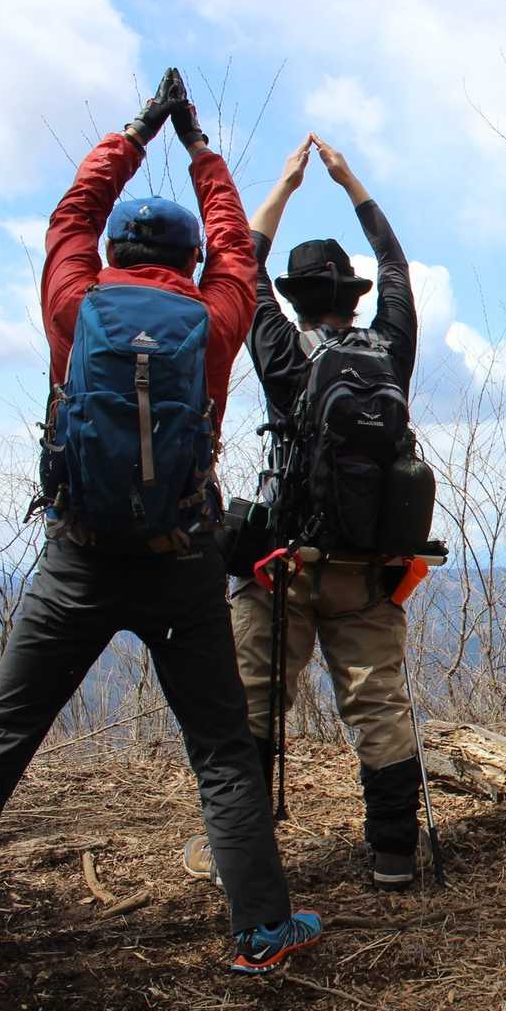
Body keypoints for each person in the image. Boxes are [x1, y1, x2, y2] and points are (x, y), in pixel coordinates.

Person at [0, 71, 321, 974]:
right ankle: (261, 933)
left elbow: (70, 214)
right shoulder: (215, 315)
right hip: (181, 563)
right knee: (221, 750)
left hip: (75, 562)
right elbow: (236, 240)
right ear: (192, 259)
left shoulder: (75, 305)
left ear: (111, 250)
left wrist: (138, 130)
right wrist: (200, 146)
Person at [180, 135, 425, 890]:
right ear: (352, 296)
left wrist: (283, 188)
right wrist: (353, 184)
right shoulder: (390, 349)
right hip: (370, 567)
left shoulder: (284, 356)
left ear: (295, 299)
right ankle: (394, 854)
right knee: (378, 705)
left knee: (253, 702)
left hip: (283, 564)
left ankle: (241, 855)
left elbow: (242, 265)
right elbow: (396, 267)